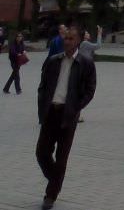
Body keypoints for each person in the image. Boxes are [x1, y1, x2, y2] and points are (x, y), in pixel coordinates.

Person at [35, 24, 96, 210]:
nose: (67, 41)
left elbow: (90, 90)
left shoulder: (85, 63)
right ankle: (56, 180)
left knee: (61, 158)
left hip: (68, 115)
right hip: (50, 112)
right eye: (65, 38)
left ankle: (50, 195)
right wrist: (42, 107)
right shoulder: (53, 61)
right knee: (42, 153)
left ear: (78, 41)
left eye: (70, 38)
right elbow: (43, 86)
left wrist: (76, 107)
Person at [4, 31, 27, 95]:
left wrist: (24, 52)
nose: (20, 38)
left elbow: (23, 49)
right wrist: (17, 54)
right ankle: (18, 90)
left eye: (21, 36)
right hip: (13, 61)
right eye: (18, 36)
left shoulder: (22, 43)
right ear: (16, 37)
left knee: (13, 75)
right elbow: (12, 51)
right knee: (17, 75)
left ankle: (6, 89)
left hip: (19, 61)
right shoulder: (13, 44)